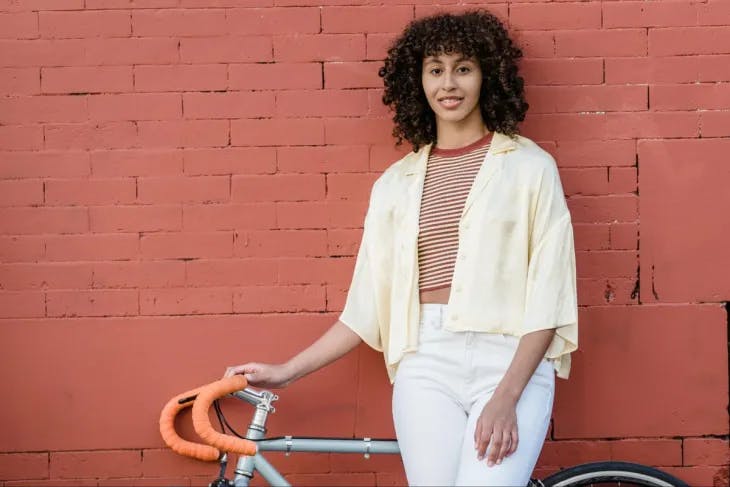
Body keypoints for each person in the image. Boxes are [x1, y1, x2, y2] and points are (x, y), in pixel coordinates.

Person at [224, 10, 578, 487]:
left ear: (486, 77)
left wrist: (507, 395)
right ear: (418, 81)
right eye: (435, 69)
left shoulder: (531, 168)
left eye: (463, 68)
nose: (448, 84)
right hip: (425, 361)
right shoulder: (395, 185)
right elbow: (365, 308)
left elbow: (550, 296)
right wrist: (287, 372)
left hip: (510, 358)